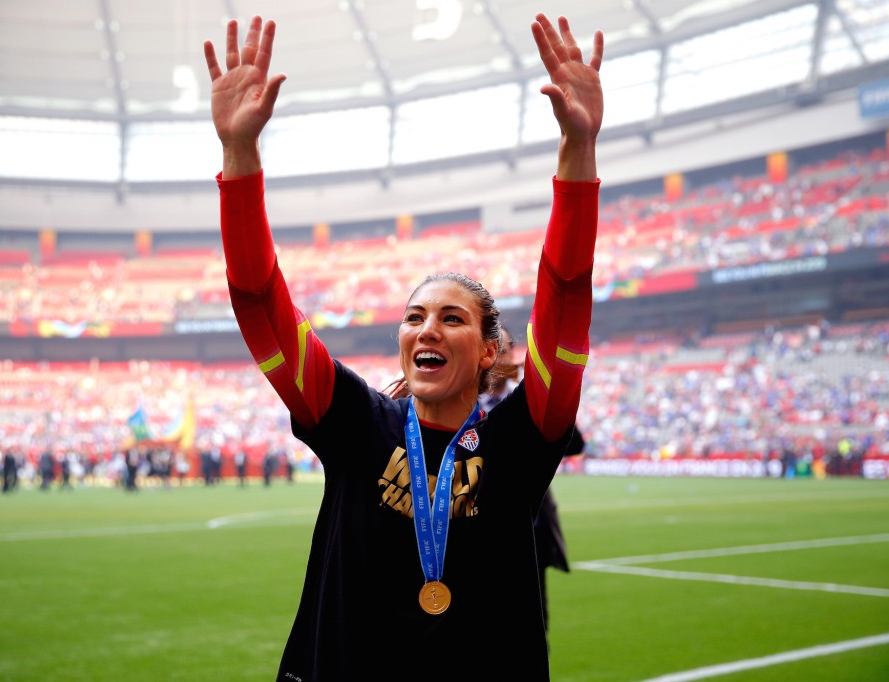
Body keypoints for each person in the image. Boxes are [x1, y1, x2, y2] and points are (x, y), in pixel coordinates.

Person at [204, 11, 602, 680]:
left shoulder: (526, 435)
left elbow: (567, 288)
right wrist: (239, 156)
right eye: (415, 316)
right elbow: (257, 302)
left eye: (453, 318)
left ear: (488, 351)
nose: (427, 329)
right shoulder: (357, 424)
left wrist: (578, 152)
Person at [478, 327, 584, 633]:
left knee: (530, 625)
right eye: (490, 348)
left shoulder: (528, 398)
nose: (498, 356)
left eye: (504, 348)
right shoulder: (457, 400)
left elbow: (574, 444)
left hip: (528, 524)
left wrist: (541, 405)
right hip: (468, 523)